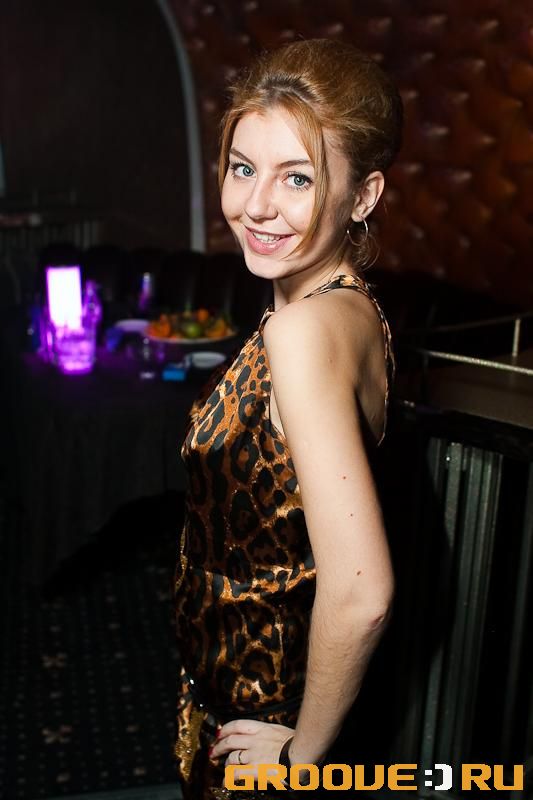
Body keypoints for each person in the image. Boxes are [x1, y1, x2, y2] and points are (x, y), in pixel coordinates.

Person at [174, 38, 403, 799]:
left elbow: (363, 592)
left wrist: (300, 760)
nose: (256, 206)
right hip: (247, 699)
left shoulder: (304, 333)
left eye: (297, 178)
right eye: (243, 168)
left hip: (266, 722)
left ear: (363, 197)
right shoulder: (350, 310)